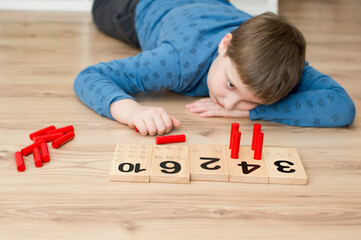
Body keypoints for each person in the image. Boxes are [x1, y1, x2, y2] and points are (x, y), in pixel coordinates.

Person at [73, 0, 355, 136]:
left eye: (249, 99)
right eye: (231, 84)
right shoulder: (175, 60)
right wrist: (131, 111)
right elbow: (90, 76)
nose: (229, 103)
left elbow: (343, 107)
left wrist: (255, 111)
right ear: (224, 45)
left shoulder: (280, 64)